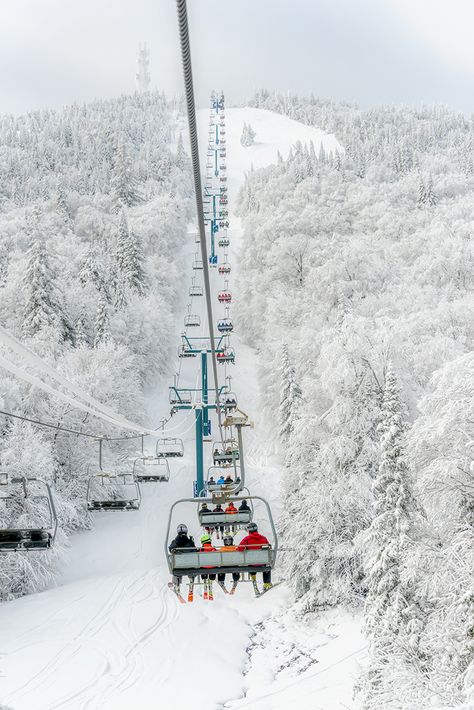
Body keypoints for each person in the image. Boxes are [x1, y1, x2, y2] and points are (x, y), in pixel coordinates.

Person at [238, 522, 272, 591]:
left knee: (251, 565)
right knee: (267, 567)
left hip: (252, 563)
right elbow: (269, 548)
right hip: (262, 562)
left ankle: (254, 581)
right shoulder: (263, 538)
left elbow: (240, 549)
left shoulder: (247, 539)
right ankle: (267, 583)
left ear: (249, 530)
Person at [169, 524, 196, 596]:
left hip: (179, 565)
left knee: (176, 570)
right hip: (190, 565)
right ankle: (191, 582)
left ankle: (176, 585)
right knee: (193, 568)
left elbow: (170, 549)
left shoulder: (175, 541)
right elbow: (194, 550)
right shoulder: (190, 541)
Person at [200, 533, 217, 600]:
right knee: (213, 570)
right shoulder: (213, 549)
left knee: (203, 568)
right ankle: (210, 584)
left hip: (204, 567)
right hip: (212, 567)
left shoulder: (201, 549)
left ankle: (205, 583)